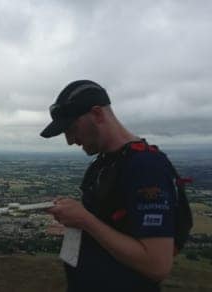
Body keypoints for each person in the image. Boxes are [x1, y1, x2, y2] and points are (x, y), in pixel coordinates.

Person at [42, 80, 191, 291]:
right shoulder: (107, 162)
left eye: (72, 128)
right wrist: (75, 220)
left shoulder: (146, 167)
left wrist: (85, 220)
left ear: (97, 114)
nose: (70, 140)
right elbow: (110, 228)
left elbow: (157, 265)